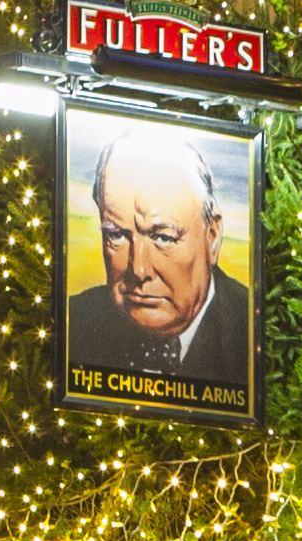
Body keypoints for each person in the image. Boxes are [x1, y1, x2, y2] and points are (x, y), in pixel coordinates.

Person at [65, 126, 251, 401]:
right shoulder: (73, 323)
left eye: (163, 237)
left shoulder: (252, 332)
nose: (138, 269)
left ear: (212, 237)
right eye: (116, 235)